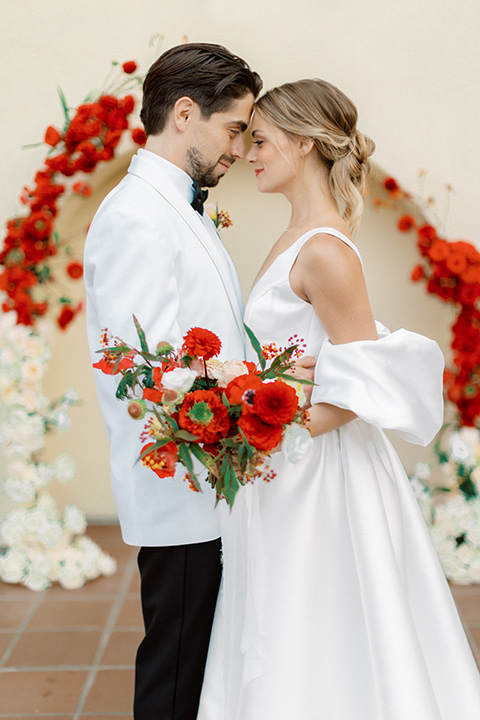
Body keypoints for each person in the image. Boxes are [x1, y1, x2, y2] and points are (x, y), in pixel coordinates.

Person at [197, 79, 480, 720]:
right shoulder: (298, 237)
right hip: (283, 462)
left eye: (261, 139)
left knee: (312, 617)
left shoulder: (325, 251)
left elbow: (358, 389)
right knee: (280, 614)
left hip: (316, 474)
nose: (249, 154)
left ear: (303, 143)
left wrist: (258, 426)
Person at [84, 43, 264, 720]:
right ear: (185, 113)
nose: (241, 150)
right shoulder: (136, 217)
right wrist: (252, 401)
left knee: (194, 661)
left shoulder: (179, 209)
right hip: (182, 483)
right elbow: (149, 371)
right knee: (177, 672)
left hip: (208, 478)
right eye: (234, 129)